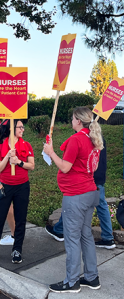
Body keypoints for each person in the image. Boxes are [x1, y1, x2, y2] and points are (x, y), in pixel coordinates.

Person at [44, 107, 103, 293]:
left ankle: (71, 282)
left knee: (72, 239)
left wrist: (51, 152)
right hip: (89, 192)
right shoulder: (92, 138)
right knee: (85, 236)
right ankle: (92, 277)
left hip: (76, 195)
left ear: (78, 120)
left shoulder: (77, 139)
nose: (71, 121)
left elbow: (65, 167)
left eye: (72, 118)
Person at [45, 138, 116, 249]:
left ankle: (60, 229)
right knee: (101, 205)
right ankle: (108, 237)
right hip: (98, 176)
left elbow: (71, 162)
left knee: (72, 202)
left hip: (85, 177)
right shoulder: (97, 135)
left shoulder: (82, 138)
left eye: (74, 119)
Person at [0, 120, 34, 263]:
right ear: (11, 129)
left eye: (23, 127)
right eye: (20, 127)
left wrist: (18, 162)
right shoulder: (0, 147)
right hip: (4, 186)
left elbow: (32, 165)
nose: (22, 129)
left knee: (20, 219)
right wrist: (7, 157)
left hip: (22, 186)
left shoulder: (26, 145)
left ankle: (17, 250)